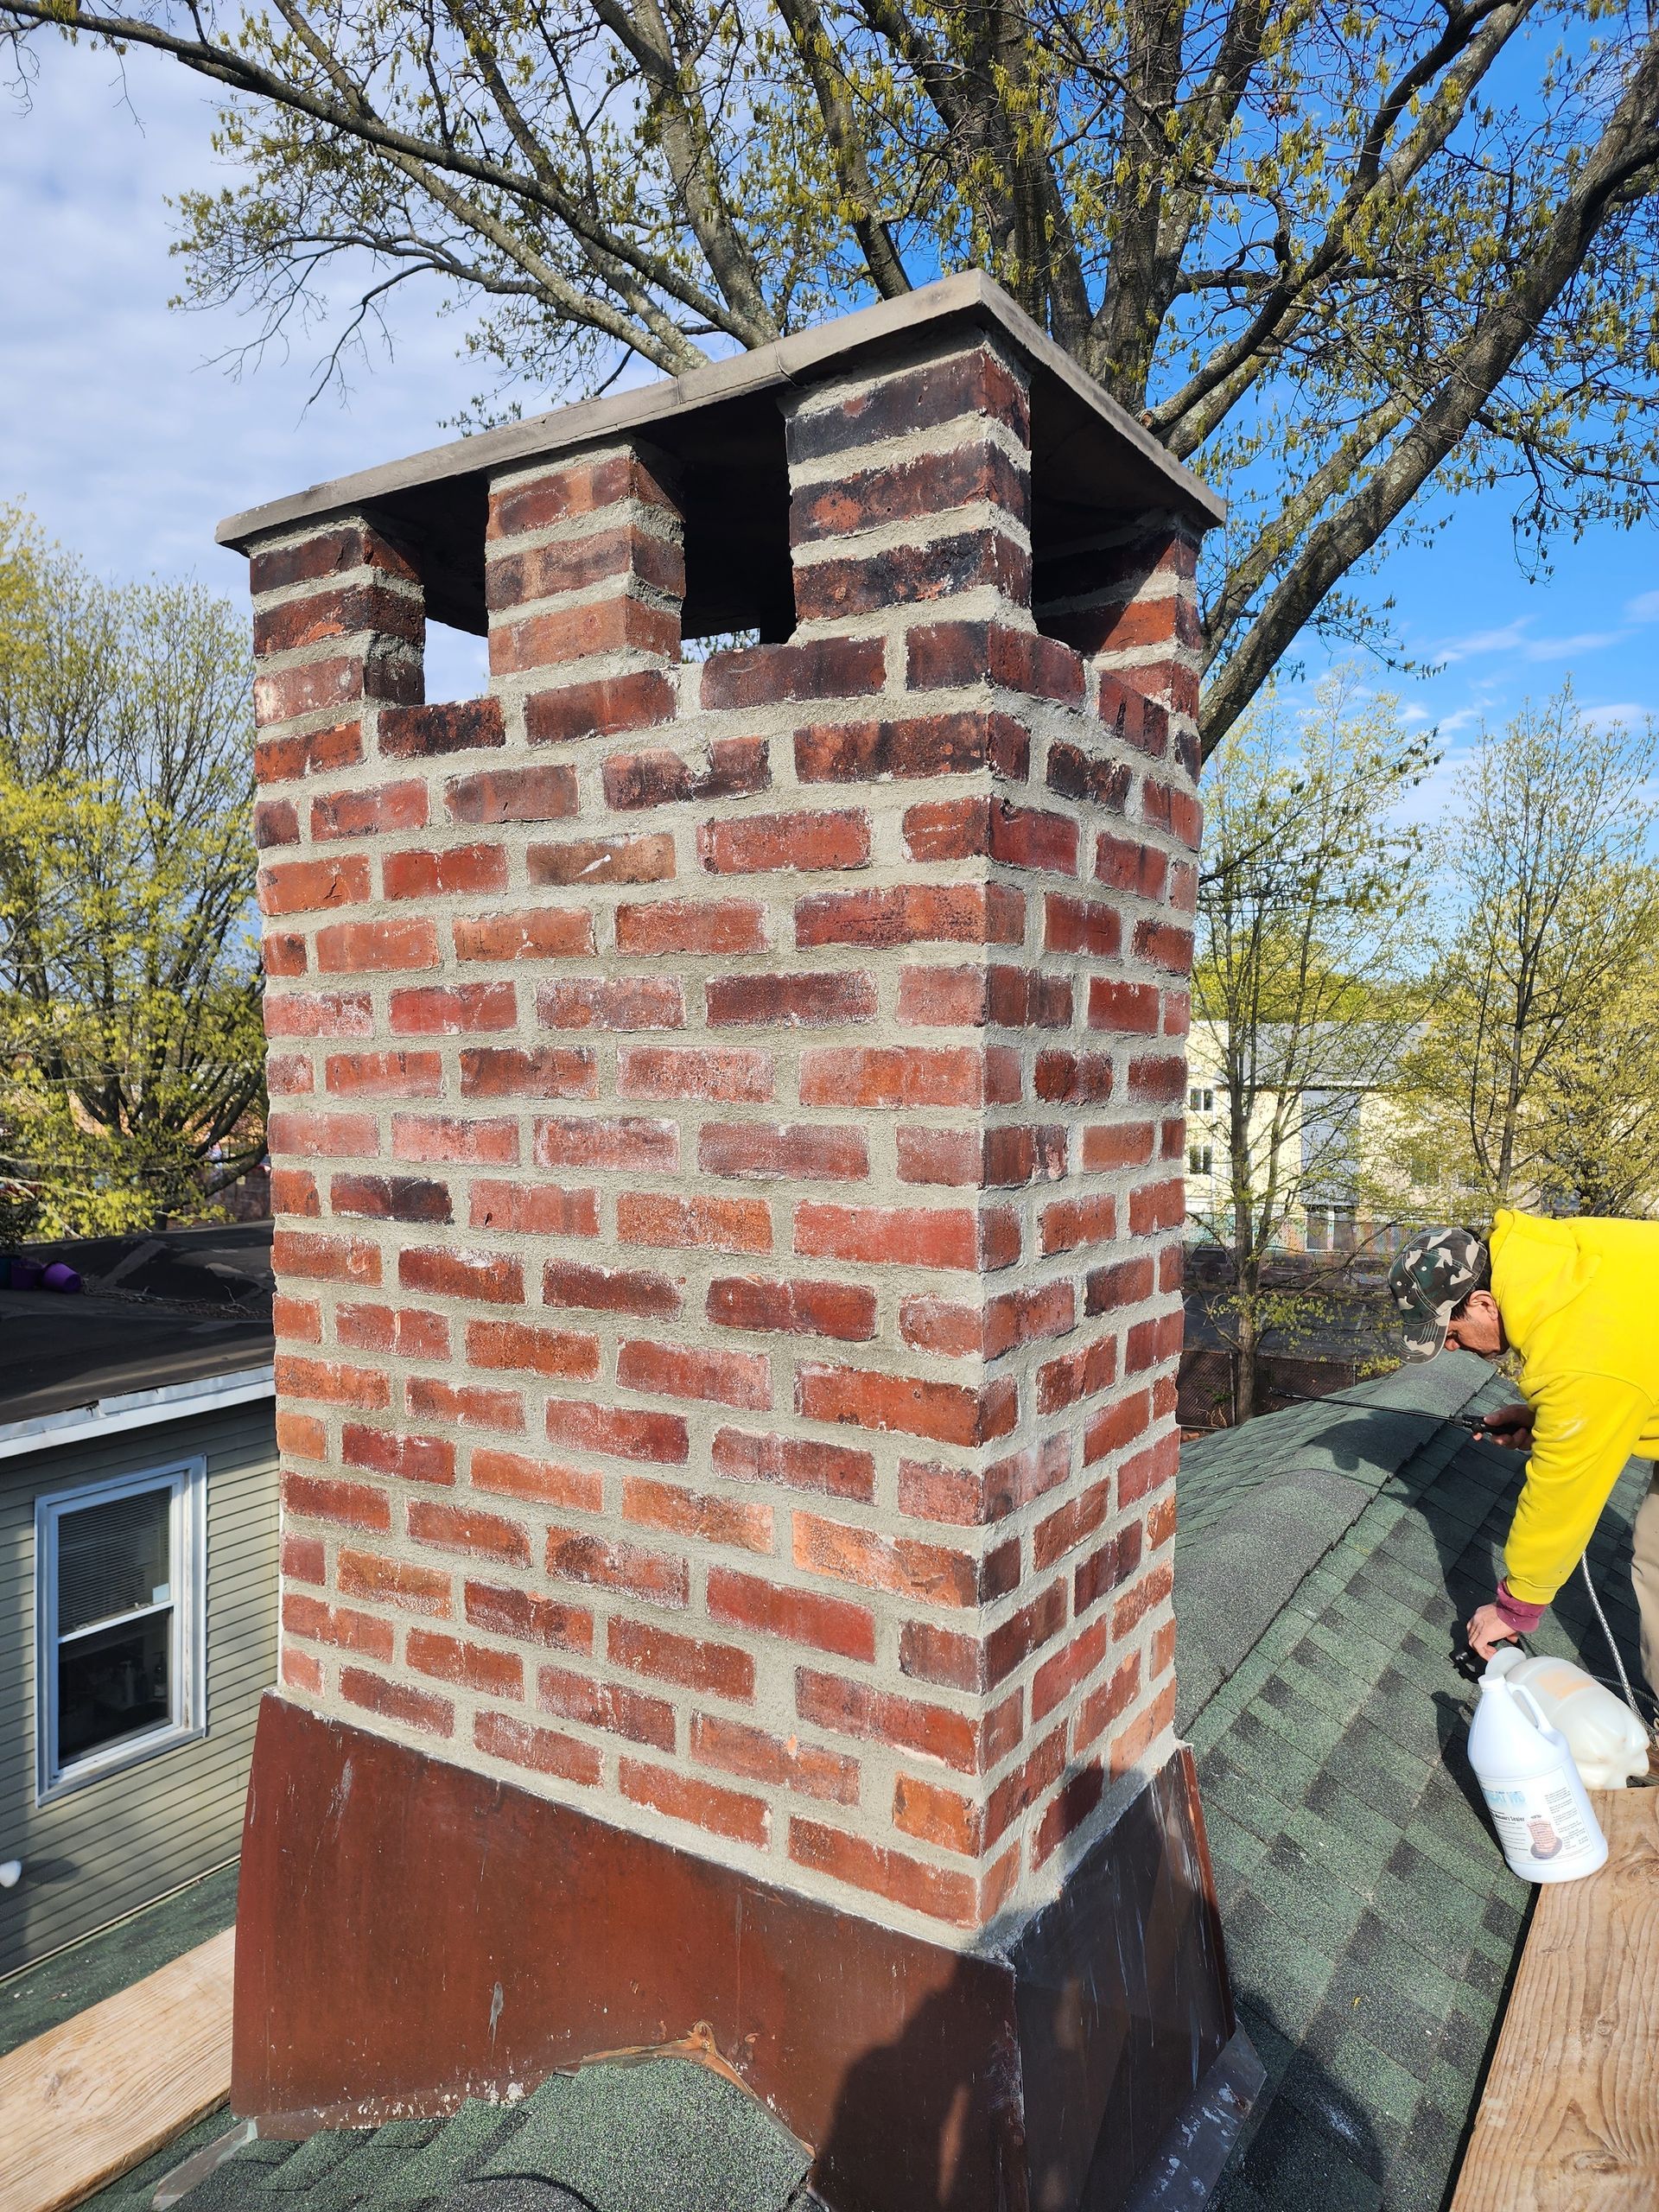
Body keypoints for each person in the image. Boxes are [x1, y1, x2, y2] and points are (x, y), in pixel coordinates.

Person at [1387, 1214, 1659, 1686]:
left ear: (1484, 1303)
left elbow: (1563, 1493)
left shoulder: (1578, 1362)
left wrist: (1515, 1607)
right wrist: (1549, 1421)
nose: (1451, 1348)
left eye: (1451, 1332)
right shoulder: (1558, 1255)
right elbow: (1624, 1364)